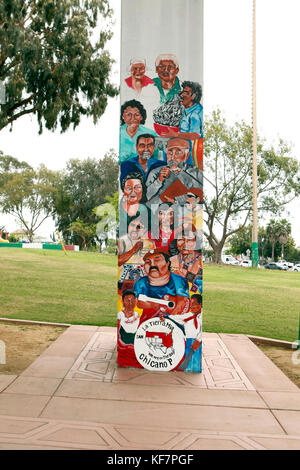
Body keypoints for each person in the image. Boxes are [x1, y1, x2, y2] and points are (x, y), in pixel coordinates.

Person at [133, 248, 190, 324]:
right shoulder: (141, 283)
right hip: (147, 322)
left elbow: (182, 302)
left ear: (167, 263)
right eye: (148, 262)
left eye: (157, 260)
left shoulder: (178, 281)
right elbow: (139, 303)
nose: (152, 264)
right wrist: (160, 305)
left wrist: (168, 318)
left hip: (173, 322)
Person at [146, 138, 203, 205]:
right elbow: (148, 196)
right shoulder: (156, 172)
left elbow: (200, 195)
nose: (172, 157)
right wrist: (159, 180)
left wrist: (180, 173)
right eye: (169, 153)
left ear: (187, 155)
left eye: (177, 153)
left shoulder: (196, 173)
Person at [160, 294, 202, 372]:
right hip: (188, 342)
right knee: (188, 363)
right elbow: (177, 318)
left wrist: (198, 340)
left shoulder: (202, 317)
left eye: (194, 304)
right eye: (191, 304)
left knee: (196, 362)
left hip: (197, 342)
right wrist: (165, 317)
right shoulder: (189, 316)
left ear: (200, 305)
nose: (191, 306)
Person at [170, 224, 203, 293]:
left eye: (190, 240)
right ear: (175, 242)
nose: (185, 244)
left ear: (196, 241)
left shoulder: (201, 261)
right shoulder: (171, 261)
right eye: (180, 239)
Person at [119, 171, 149, 237]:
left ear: (142, 190)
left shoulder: (147, 211)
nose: (133, 191)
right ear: (123, 191)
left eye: (137, 187)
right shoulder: (119, 210)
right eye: (129, 188)